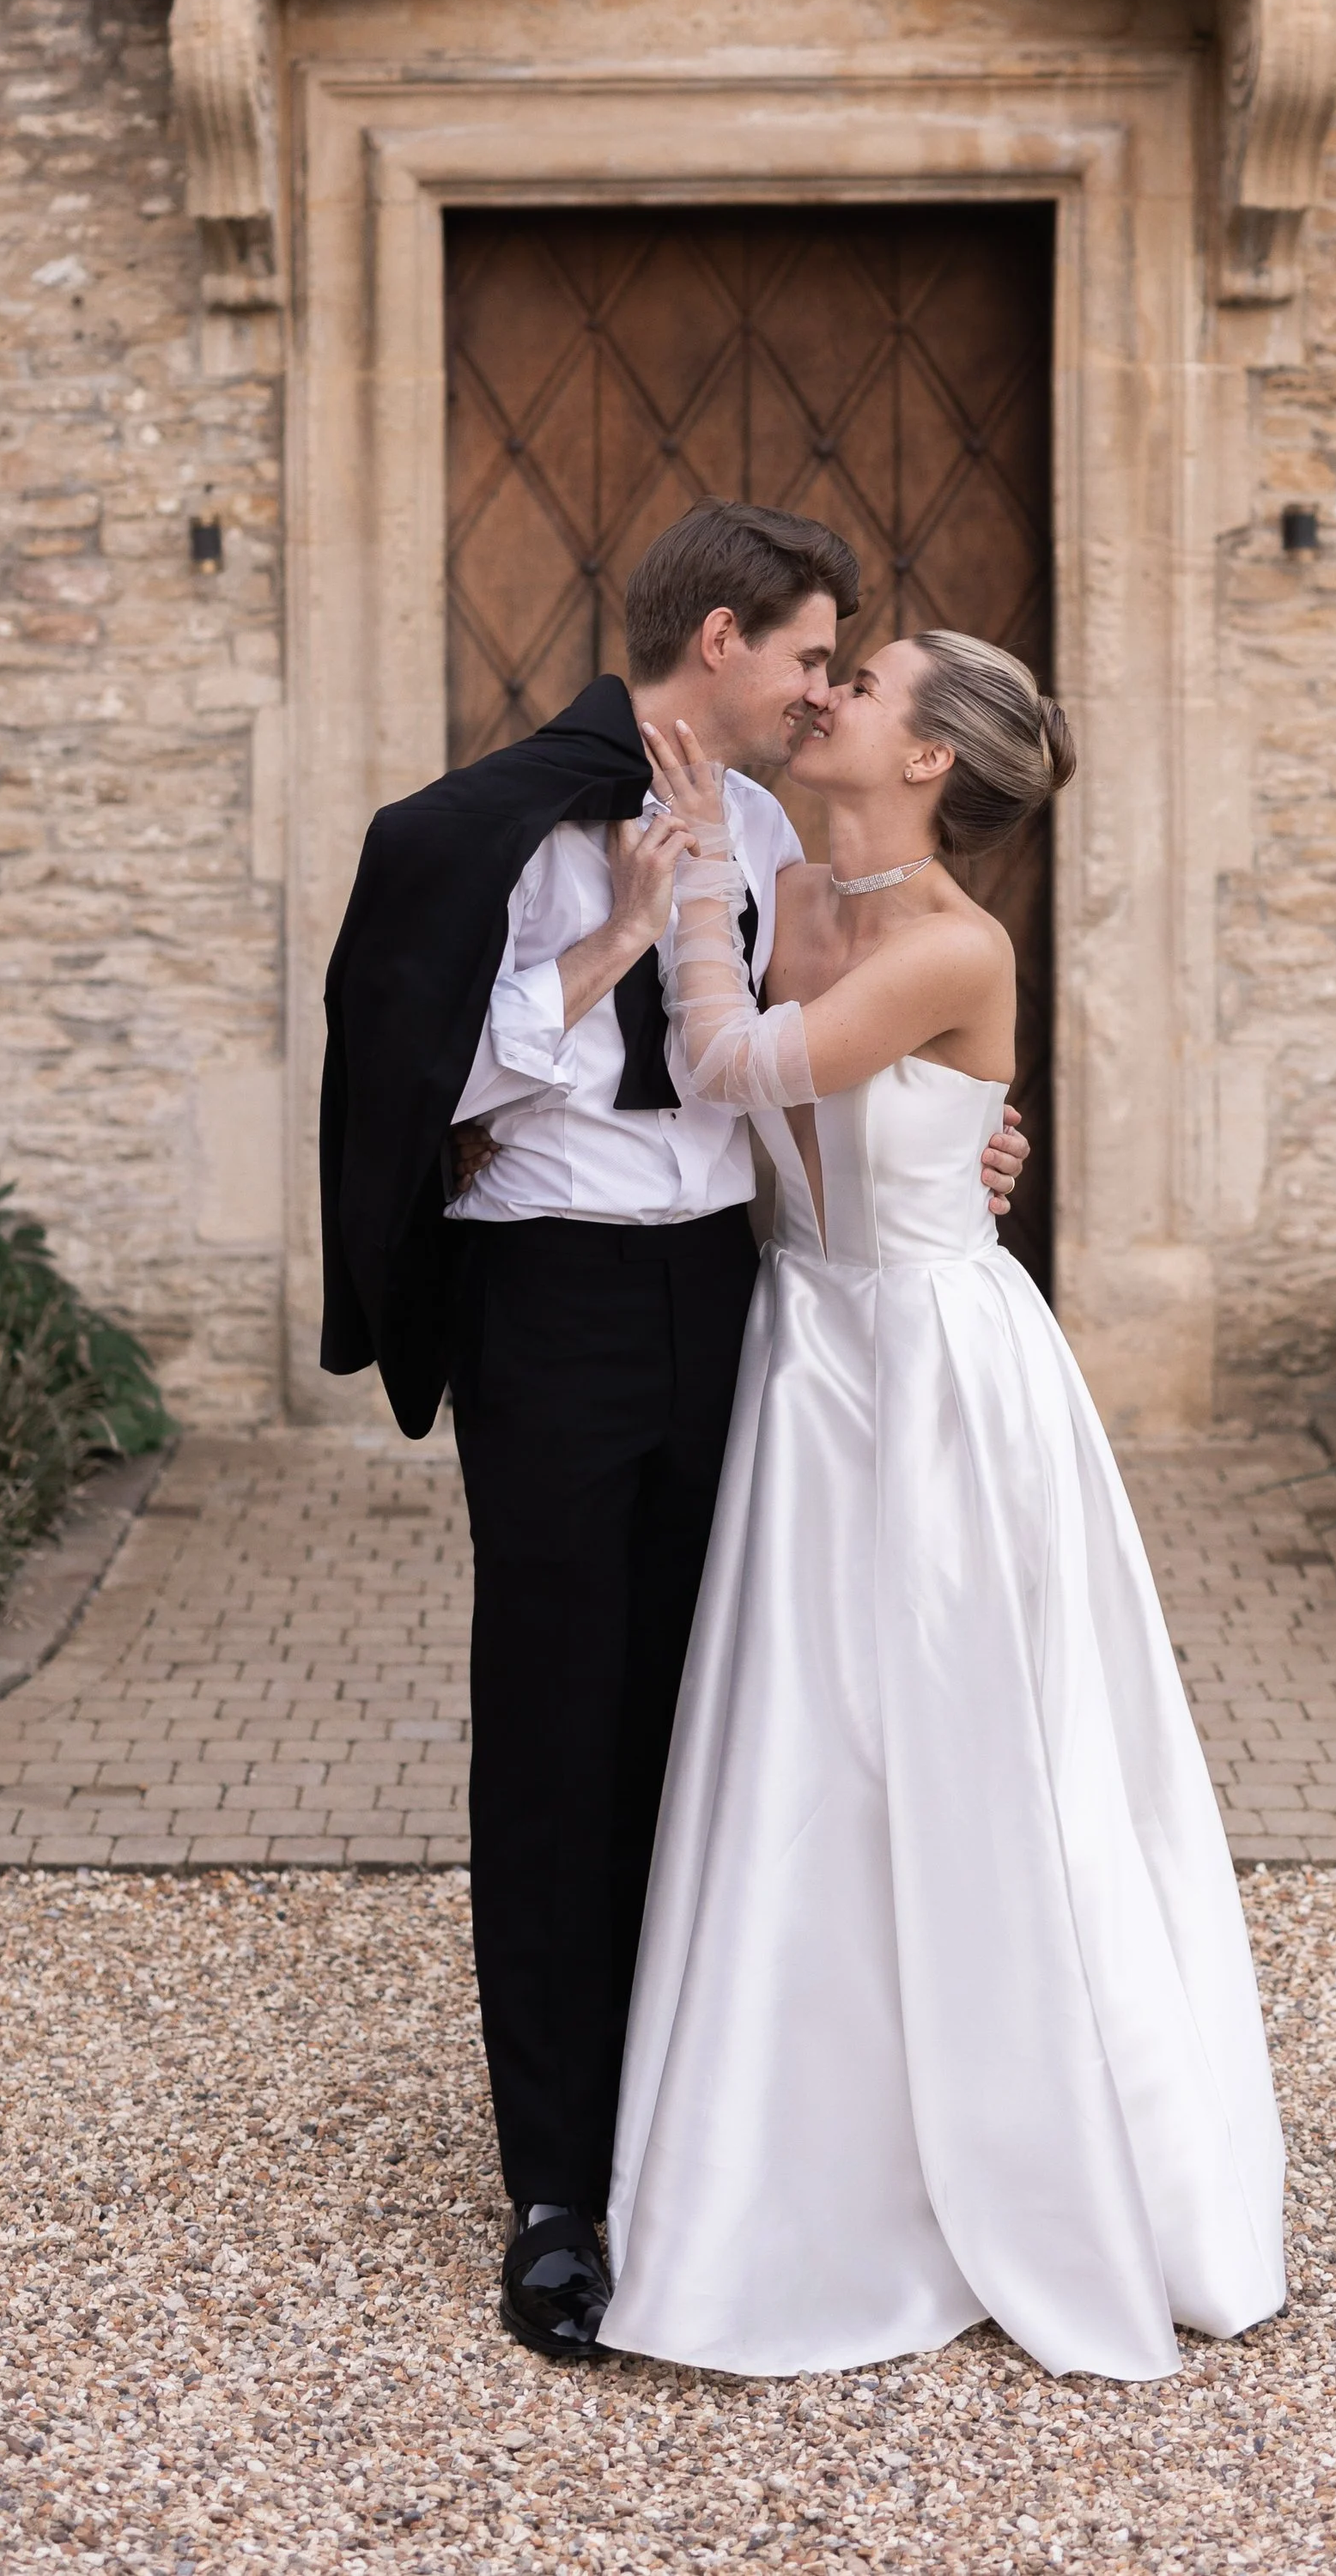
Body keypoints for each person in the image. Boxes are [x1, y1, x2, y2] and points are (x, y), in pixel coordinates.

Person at [316, 506, 1029, 2362]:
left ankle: (710, 2125)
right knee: (557, 1718)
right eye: (807, 656)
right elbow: (424, 1088)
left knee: (728, 1708)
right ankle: (558, 2186)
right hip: (545, 1299)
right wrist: (620, 927)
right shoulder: (467, 833)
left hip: (733, 1296)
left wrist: (956, 1152)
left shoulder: (789, 834)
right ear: (717, 639)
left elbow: (822, 1058)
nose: (819, 691)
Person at [597, 632, 1286, 2381]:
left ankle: (1028, 2148)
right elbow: (838, 1122)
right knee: (812, 1754)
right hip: (808, 1361)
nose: (834, 689)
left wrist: (681, 895)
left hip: (933, 1377)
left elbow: (730, 1075)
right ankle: (811, 2152)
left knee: (970, 1747)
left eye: (876, 678)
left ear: (929, 762)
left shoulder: (946, 940)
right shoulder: (799, 886)